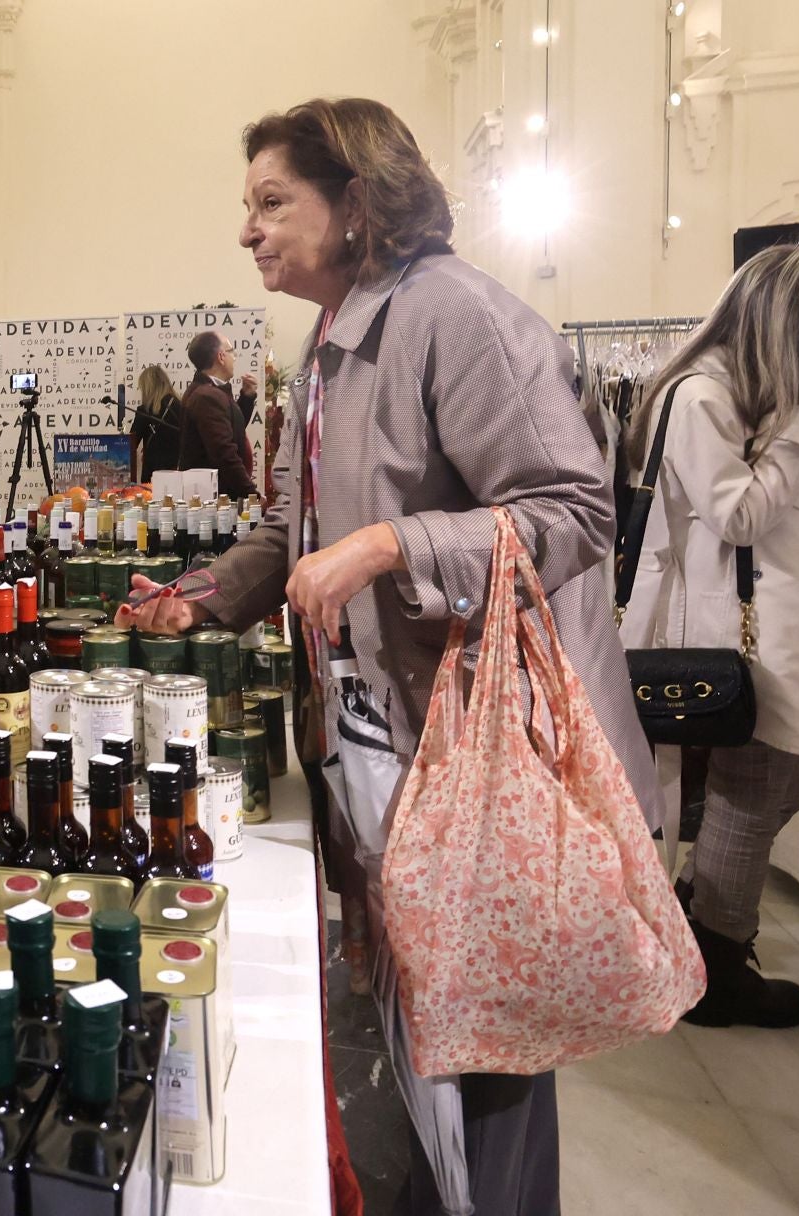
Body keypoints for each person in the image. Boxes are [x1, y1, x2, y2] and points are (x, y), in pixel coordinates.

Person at [118, 97, 657, 1216]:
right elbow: (289, 532)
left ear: (355, 204)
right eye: (249, 206)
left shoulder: (454, 316)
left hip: (476, 754)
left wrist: (388, 544)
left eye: (274, 203)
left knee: (488, 1035)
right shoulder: (328, 342)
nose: (249, 231)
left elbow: (574, 509)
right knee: (422, 1017)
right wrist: (199, 597)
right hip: (387, 737)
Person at [619, 245, 799, 1029]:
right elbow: (736, 516)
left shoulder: (743, 395)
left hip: (765, 631)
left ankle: (702, 920)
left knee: (777, 783)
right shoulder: (704, 395)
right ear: (798, 324)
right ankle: (718, 962)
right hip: (741, 636)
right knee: (757, 785)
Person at [175, 330, 260, 496]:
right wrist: (251, 494)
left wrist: (247, 397)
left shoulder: (210, 391)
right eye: (231, 351)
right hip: (217, 499)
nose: (234, 357)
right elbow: (224, 453)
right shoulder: (207, 396)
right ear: (221, 357)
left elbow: (232, 429)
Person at [129, 364, 184, 481]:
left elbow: (130, 444)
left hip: (153, 475)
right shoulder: (182, 407)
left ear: (148, 387)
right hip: (179, 472)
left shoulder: (145, 411)